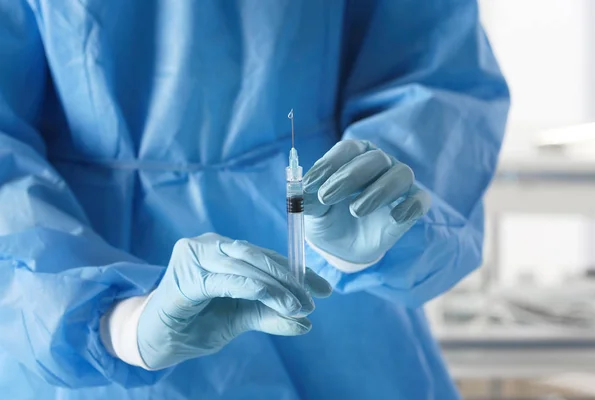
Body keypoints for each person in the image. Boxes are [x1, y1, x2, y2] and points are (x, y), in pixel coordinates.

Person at [0, 0, 509, 398]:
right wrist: (115, 321)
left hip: (344, 331)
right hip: (84, 343)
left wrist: (375, 203)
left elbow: (433, 73)